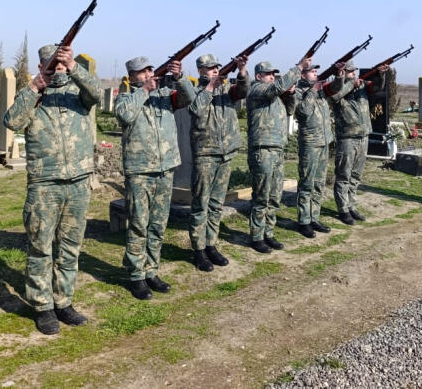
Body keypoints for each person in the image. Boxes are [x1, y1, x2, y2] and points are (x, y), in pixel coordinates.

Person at [3, 44, 102, 335]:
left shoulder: (78, 93)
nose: (58, 69)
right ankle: (42, 305)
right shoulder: (33, 95)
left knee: (70, 247)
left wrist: (73, 66)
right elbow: (12, 121)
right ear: (41, 67)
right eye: (52, 65)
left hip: (79, 182)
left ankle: (64, 301)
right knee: (41, 247)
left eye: (61, 65)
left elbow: (96, 93)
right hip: (45, 185)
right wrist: (34, 88)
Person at [114, 56, 196, 299]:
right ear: (133, 76)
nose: (150, 73)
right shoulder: (126, 95)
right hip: (140, 171)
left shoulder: (165, 95)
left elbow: (189, 99)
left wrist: (180, 77)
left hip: (165, 168)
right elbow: (124, 116)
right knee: (139, 224)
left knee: (158, 225)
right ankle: (136, 275)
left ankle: (152, 270)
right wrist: (145, 91)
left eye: (151, 69)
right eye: (144, 71)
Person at [188, 54, 248, 272]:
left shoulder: (226, 91)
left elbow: (242, 92)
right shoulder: (195, 91)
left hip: (226, 152)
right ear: (201, 71)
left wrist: (241, 72)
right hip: (205, 153)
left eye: (217, 68)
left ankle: (211, 244)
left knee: (216, 204)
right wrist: (211, 87)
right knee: (200, 203)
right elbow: (195, 109)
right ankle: (198, 249)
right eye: (210, 68)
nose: (215, 71)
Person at [246, 57, 311, 252]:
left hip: (277, 149)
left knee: (274, 196)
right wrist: (298, 67)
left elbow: (290, 109)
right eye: (268, 74)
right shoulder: (256, 90)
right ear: (259, 76)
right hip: (263, 149)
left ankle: (269, 233)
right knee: (261, 196)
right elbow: (276, 88)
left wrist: (290, 94)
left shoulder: (276, 97)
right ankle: (257, 237)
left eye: (274, 74)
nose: (272, 77)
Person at [327, 60, 388, 225]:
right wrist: (350, 85)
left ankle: (352, 205)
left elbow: (377, 87)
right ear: (342, 73)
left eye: (354, 71)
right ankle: (343, 209)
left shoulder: (361, 87)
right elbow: (335, 97)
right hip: (347, 137)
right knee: (343, 175)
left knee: (356, 175)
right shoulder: (336, 87)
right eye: (350, 71)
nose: (354, 73)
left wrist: (381, 75)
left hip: (363, 136)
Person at [293, 63, 343, 238]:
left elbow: (337, 88)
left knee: (319, 183)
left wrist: (338, 75)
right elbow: (304, 111)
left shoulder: (320, 89)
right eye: (312, 71)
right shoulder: (298, 91)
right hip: (310, 143)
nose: (315, 74)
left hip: (324, 142)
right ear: (303, 75)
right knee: (307, 183)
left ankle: (315, 217)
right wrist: (313, 90)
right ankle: (304, 221)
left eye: (316, 71)